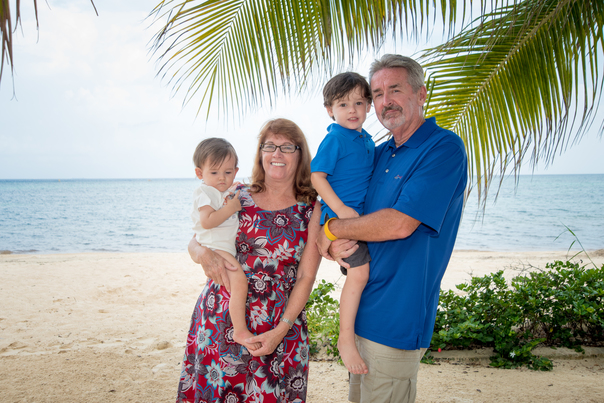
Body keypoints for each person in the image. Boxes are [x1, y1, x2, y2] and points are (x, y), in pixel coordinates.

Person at [316, 54, 468, 403]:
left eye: (395, 90)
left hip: (396, 319)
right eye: (378, 93)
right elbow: (336, 196)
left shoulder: (443, 148)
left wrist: (335, 229)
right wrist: (328, 237)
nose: (386, 101)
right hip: (361, 313)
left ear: (421, 94)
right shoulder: (379, 152)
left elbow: (399, 224)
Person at [178, 119, 322, 403]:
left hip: (280, 325)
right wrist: (200, 253)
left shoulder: (311, 208)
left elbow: (306, 276)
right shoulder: (238, 195)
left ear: (300, 154)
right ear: (260, 153)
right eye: (269, 146)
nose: (277, 153)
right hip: (221, 317)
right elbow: (200, 236)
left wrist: (281, 330)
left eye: (287, 147)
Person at [310, 72, 374, 375]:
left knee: (365, 275)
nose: (352, 110)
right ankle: (345, 339)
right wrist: (339, 210)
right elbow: (317, 177)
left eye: (359, 103)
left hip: (360, 221)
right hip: (339, 219)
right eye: (343, 104)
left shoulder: (366, 139)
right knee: (359, 274)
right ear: (330, 110)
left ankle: (357, 333)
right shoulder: (335, 138)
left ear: (369, 106)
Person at [190, 137, 260, 352]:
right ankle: (239, 330)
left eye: (228, 172)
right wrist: (231, 209)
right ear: (200, 173)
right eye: (214, 172)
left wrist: (232, 190)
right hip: (215, 245)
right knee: (239, 281)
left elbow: (226, 193)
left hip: (219, 244)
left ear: (236, 171)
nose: (222, 178)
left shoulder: (221, 190)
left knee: (233, 282)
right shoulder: (205, 192)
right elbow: (206, 221)